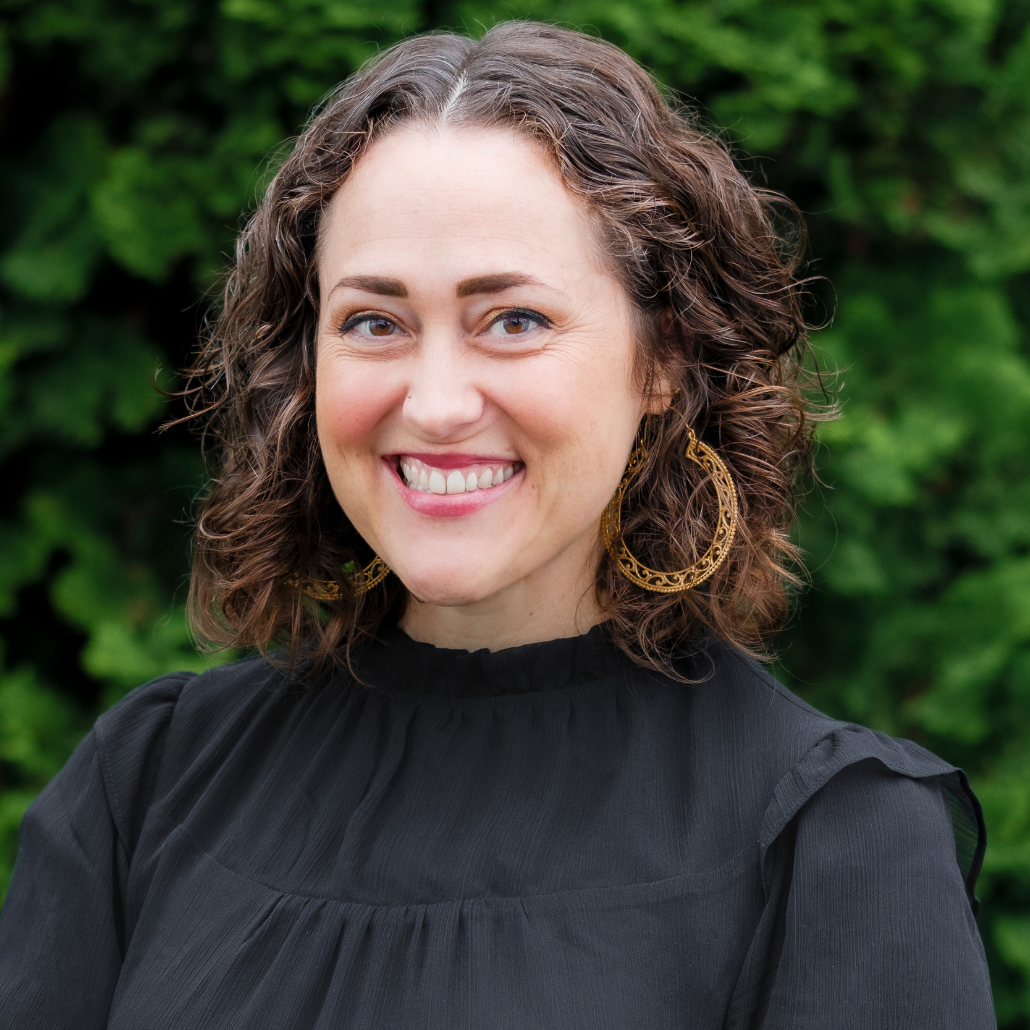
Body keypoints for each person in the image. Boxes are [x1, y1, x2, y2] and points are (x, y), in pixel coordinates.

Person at [0, 21, 996, 1029]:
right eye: (372, 321)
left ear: (663, 361)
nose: (434, 402)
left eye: (512, 320)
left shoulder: (834, 840)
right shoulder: (147, 786)